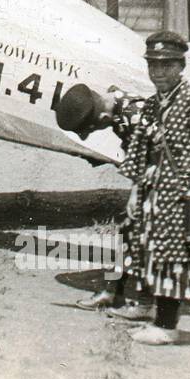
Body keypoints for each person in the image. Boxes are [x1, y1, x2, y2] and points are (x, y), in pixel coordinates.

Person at [115, 30, 190, 346]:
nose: (158, 72)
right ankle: (149, 309)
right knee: (145, 248)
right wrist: (136, 192)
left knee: (172, 257)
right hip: (153, 190)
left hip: (181, 194)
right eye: (153, 65)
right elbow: (138, 148)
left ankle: (167, 326)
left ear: (181, 66)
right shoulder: (151, 106)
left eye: (166, 65)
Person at [55, 82, 153, 316]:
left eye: (95, 128)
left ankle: (145, 305)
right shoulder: (116, 104)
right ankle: (112, 292)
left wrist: (138, 192)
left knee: (147, 236)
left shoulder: (134, 116)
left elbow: (154, 157)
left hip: (171, 174)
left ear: (103, 117)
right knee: (130, 231)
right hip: (152, 173)